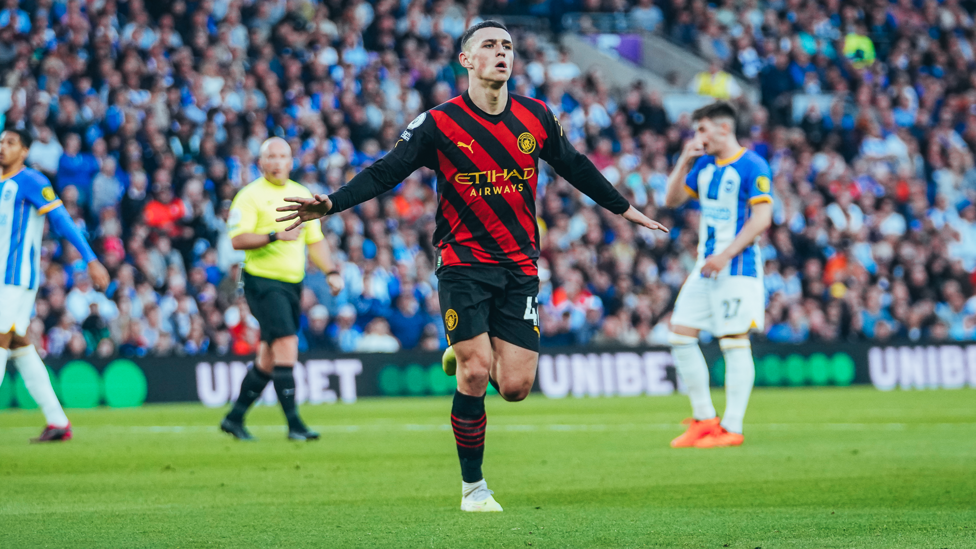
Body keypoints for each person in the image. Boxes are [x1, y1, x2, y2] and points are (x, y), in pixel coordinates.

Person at [276, 21, 668, 512]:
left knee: (516, 388)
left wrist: (623, 208)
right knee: (476, 371)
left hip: (521, 264)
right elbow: (385, 170)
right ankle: (473, 487)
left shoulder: (536, 116)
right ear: (466, 60)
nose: (502, 53)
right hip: (463, 262)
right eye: (490, 46)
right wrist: (331, 204)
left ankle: (462, 349)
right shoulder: (439, 123)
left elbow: (575, 164)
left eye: (507, 46)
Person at [663, 101, 773, 449]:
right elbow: (672, 199)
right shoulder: (706, 166)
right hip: (705, 267)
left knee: (734, 342)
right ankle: (704, 419)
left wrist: (725, 255)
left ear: (724, 128)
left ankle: (732, 427)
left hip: (736, 268)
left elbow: (762, 219)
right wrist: (684, 160)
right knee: (680, 334)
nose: (698, 137)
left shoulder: (752, 164)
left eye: (703, 130)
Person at [219, 137, 343, 442]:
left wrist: (331, 271)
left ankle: (234, 419)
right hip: (262, 281)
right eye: (270, 156)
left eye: (282, 156)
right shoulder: (249, 197)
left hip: (292, 284)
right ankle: (295, 424)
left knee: (268, 357)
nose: (276, 162)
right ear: (261, 163)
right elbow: (238, 240)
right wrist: (275, 236)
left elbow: (314, 240)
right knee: (287, 343)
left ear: (291, 161)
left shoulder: (301, 194)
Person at [0, 128, 111, 442]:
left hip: (14, 278)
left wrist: (90, 259)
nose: (3, 148)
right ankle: (57, 421)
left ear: (24, 151)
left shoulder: (31, 181)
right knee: (19, 346)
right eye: (0, 142)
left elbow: (62, 220)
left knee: (0, 337)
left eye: (10, 143)